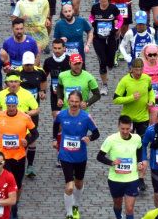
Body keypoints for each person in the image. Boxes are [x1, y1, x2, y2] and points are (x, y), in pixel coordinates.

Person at [54, 88, 100, 219]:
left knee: (78, 184)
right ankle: (69, 213)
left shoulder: (86, 117)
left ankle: (76, 206)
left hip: (80, 156)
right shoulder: (61, 115)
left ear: (81, 103)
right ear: (68, 101)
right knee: (69, 186)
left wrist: (89, 138)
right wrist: (53, 139)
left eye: (77, 102)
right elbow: (55, 125)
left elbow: (96, 133)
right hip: (65, 155)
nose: (74, 104)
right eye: (72, 101)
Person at [97, 115, 145, 219]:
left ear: (131, 127)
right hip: (115, 179)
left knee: (129, 208)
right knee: (117, 204)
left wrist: (139, 161)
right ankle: (119, 217)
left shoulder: (136, 138)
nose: (125, 131)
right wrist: (111, 162)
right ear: (118, 127)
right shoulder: (111, 139)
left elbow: (140, 149)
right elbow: (99, 157)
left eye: (127, 129)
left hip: (132, 179)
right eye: (122, 128)